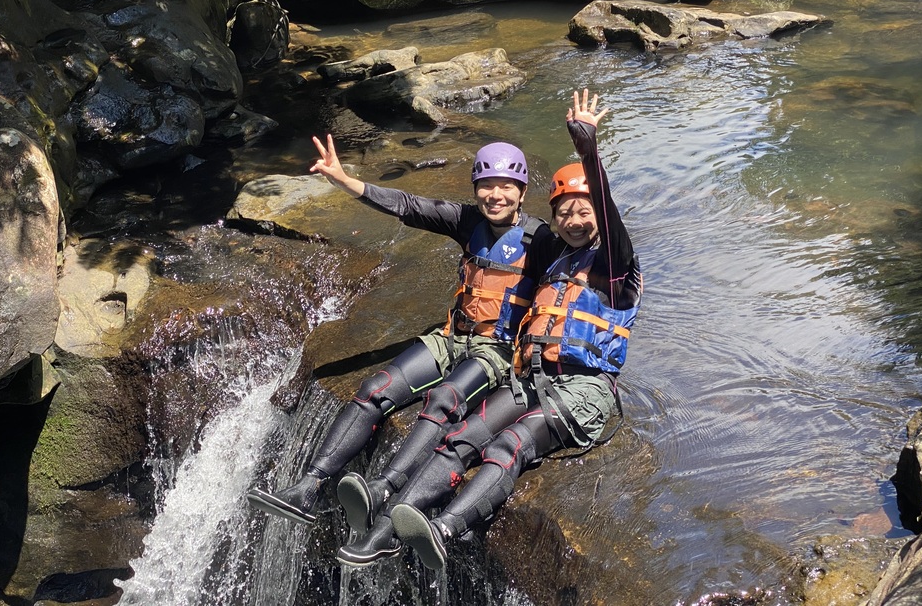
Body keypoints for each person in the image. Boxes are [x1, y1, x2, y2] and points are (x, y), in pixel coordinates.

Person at [375, 88, 643, 571]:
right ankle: (391, 525)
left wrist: (588, 149)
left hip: (584, 388)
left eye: (583, 212)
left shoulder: (615, 265)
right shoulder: (554, 257)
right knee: (461, 435)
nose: (574, 220)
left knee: (508, 445)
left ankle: (442, 530)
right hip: (531, 378)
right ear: (553, 218)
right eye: (564, 213)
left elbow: (608, 211)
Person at [247, 135, 552, 541]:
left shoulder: (541, 240)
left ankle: (382, 490)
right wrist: (345, 181)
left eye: (506, 186)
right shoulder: (466, 222)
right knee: (375, 389)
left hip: (497, 350)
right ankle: (309, 487)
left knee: (445, 399)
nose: (495, 195)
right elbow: (408, 205)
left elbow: (594, 257)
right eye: (486, 185)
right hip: (452, 336)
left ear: (522, 192)